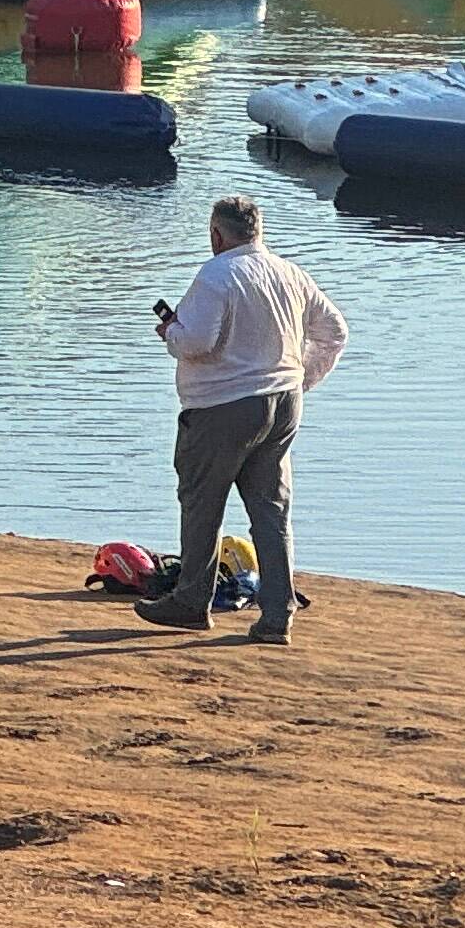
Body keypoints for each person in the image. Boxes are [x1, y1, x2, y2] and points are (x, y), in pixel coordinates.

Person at [139, 194, 348, 646]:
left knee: (202, 503)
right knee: (271, 511)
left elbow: (196, 341)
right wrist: (301, 377)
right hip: (283, 402)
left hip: (223, 406)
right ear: (258, 230)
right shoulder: (291, 274)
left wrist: (170, 332)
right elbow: (335, 332)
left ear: (217, 234)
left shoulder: (217, 275)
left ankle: (191, 603)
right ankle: (277, 612)